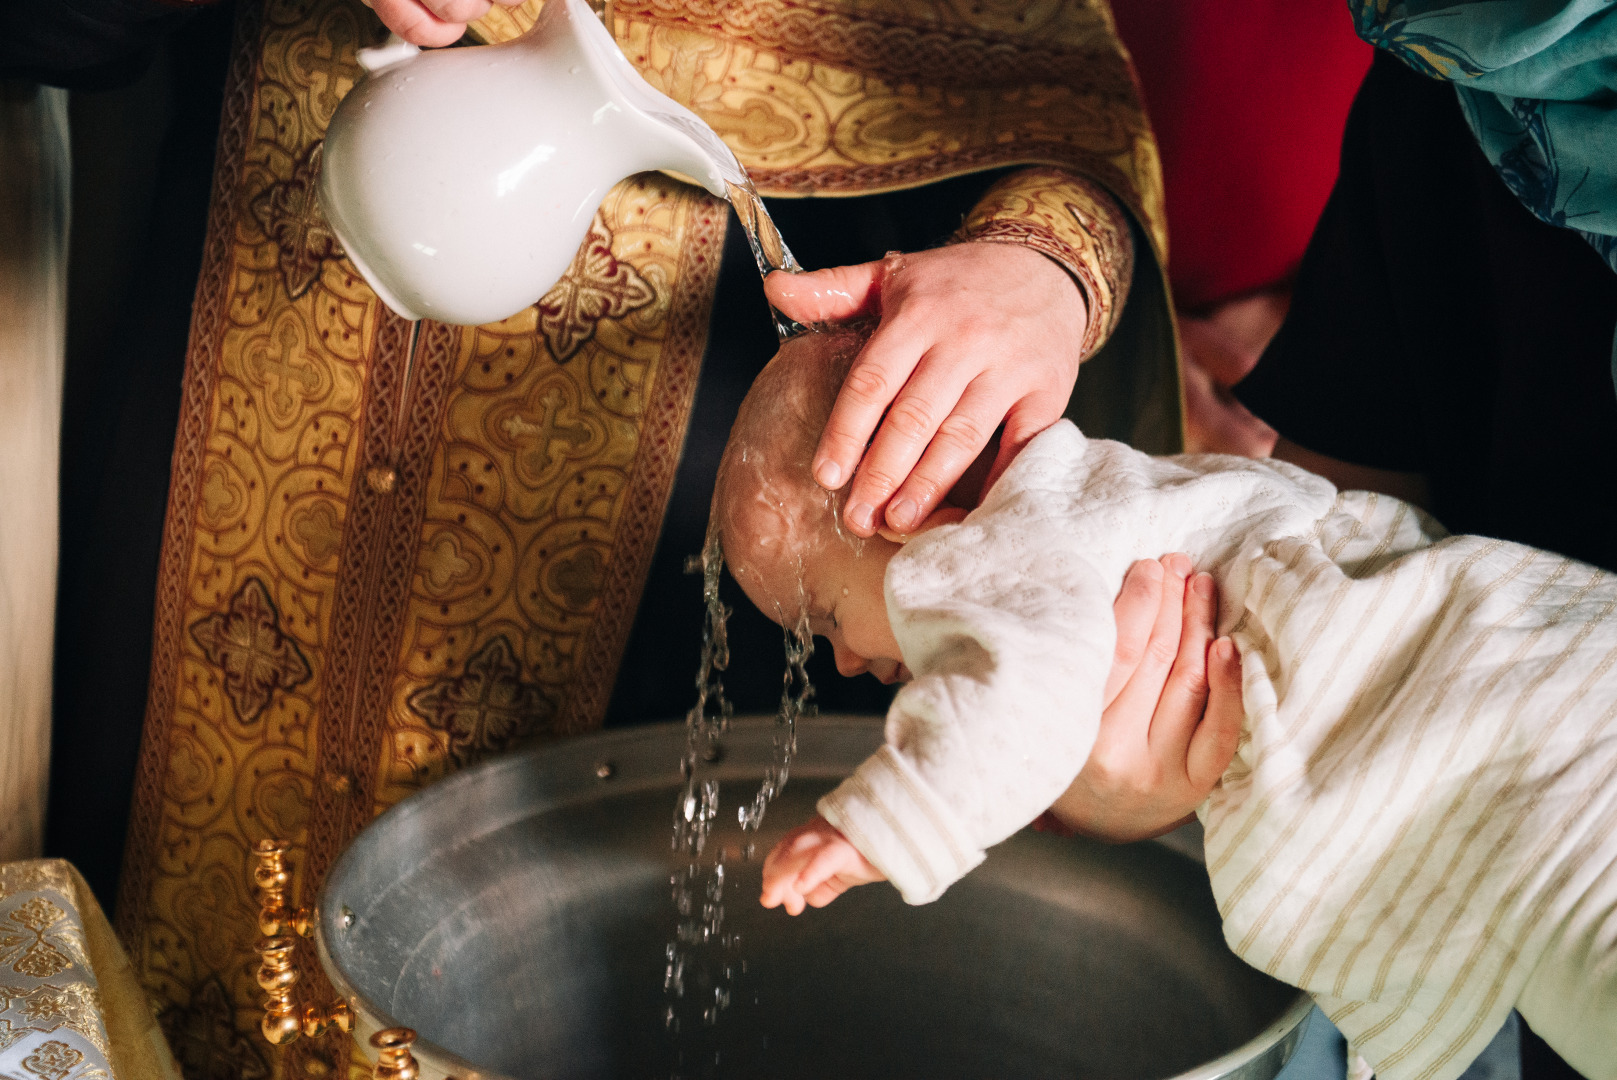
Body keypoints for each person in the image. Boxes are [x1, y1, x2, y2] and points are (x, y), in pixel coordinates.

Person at [3, 0, 1189, 1072]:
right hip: (211, 449)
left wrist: (1041, 270)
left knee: (554, 990)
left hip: (692, 550)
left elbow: (1060, 100)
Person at [713, 326, 1616, 1080]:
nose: (837, 656)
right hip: (1553, 663)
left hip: (1523, 793)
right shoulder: (1121, 491)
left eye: (824, 610)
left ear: (913, 504)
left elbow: (1017, 689)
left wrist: (878, 827)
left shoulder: (986, 548)